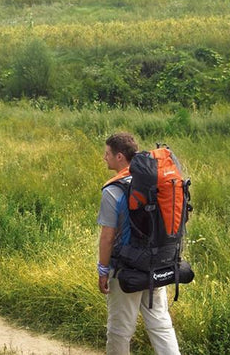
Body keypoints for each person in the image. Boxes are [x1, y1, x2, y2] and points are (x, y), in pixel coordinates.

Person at [97, 133, 180, 355]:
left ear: (120, 156)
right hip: (155, 262)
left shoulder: (113, 190)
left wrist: (103, 270)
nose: (104, 158)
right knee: (160, 324)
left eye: (107, 154)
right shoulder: (153, 182)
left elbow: (107, 237)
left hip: (127, 269)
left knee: (119, 331)